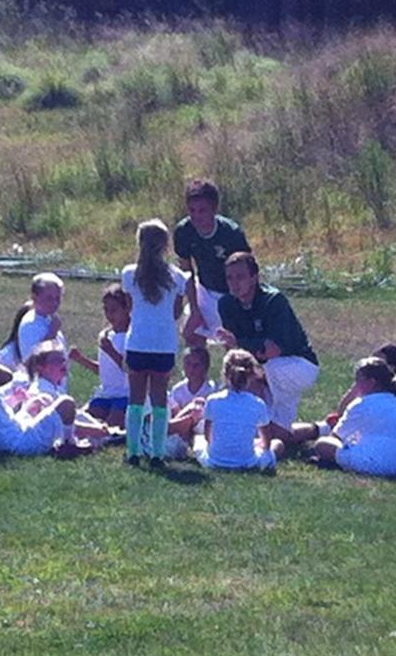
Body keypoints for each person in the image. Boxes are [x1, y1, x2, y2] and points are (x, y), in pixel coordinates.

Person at [216, 251, 319, 446]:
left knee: (248, 376)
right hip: (265, 366)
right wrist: (238, 346)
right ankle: (320, 429)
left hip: (297, 365)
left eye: (240, 277)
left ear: (254, 277)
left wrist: (238, 342)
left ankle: (247, 429)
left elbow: (273, 350)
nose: (234, 283)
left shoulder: (273, 300)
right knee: (277, 434)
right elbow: (234, 352)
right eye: (229, 278)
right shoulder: (226, 304)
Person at [121, 219, 189, 467]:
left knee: (135, 399)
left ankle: (133, 451)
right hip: (163, 344)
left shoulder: (129, 274)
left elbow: (129, 307)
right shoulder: (177, 277)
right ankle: (157, 453)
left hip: (138, 342)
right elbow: (176, 312)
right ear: (165, 245)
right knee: (160, 400)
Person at [312, 357, 396, 478]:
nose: (355, 385)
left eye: (358, 381)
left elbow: (336, 436)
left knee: (322, 444)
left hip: (380, 463)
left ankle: (335, 462)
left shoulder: (362, 404)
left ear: (370, 382)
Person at [173, 178, 251, 346]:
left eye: (202, 210)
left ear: (214, 209)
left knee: (231, 343)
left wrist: (241, 303)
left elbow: (247, 273)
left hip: (230, 294)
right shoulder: (183, 231)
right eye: (192, 210)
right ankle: (199, 364)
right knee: (190, 333)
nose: (196, 216)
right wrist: (194, 308)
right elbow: (186, 271)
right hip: (204, 289)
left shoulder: (231, 233)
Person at [332, 344, 396, 448]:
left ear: (391, 368)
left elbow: (343, 420)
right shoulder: (375, 386)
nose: (372, 365)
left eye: (378, 362)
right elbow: (342, 412)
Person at [195, 349, 283, 471]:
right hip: (248, 462)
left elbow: (207, 436)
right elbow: (266, 443)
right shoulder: (257, 403)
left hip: (214, 461)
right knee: (277, 444)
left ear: (225, 374)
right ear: (251, 375)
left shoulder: (213, 400)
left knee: (197, 440)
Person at [69, 283, 131, 429]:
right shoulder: (106, 336)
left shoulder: (131, 337)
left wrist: (111, 351)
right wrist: (81, 359)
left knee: (113, 424)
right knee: (84, 420)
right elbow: (104, 370)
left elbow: (130, 368)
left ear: (127, 309)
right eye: (106, 310)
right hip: (105, 393)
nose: (109, 315)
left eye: (114, 310)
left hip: (125, 393)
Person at [5, 273, 68, 390]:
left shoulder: (49, 320)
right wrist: (52, 332)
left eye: (57, 298)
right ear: (35, 297)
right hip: (40, 388)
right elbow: (33, 360)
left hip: (55, 387)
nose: (54, 303)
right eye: (49, 298)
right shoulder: (31, 324)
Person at [165, 346, 219, 458]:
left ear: (205, 367)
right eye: (188, 364)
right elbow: (175, 413)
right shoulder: (178, 389)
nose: (191, 369)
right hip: (182, 425)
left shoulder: (212, 389)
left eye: (196, 365)